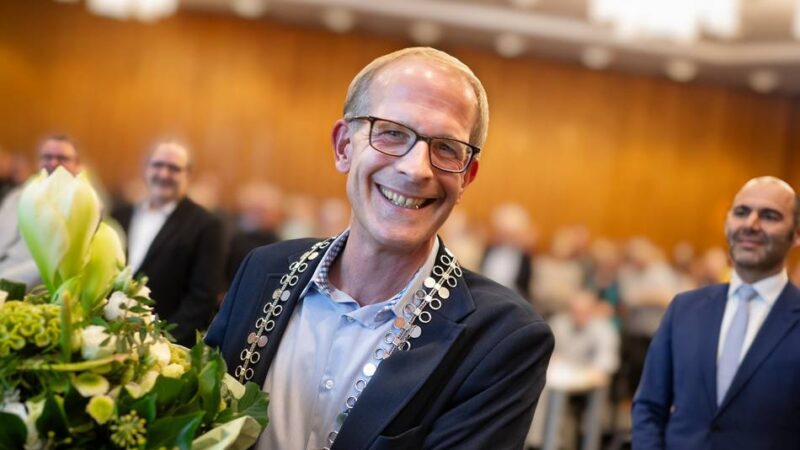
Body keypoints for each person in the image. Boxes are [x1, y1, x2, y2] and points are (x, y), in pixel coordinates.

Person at [206, 47, 554, 450]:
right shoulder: (264, 270)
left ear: (466, 178)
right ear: (343, 147)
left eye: (445, 148)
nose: (415, 168)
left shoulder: (501, 340)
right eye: (392, 133)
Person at [632, 176, 800, 449]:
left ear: (795, 234)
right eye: (741, 212)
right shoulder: (684, 309)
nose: (751, 224)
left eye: (770, 216)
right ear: (727, 223)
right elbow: (649, 407)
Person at [112, 142, 224, 347]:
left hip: (161, 344)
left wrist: (160, 342)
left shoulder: (206, 225)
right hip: (109, 332)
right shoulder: (120, 215)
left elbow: (202, 298)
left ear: (187, 176)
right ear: (146, 169)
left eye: (174, 168)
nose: (164, 174)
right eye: (158, 165)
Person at [0, 135, 81, 288]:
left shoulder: (79, 204)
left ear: (77, 165)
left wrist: (4, 281)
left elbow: (54, 263)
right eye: (47, 156)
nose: (53, 163)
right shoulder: (17, 195)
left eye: (62, 158)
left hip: (25, 288)